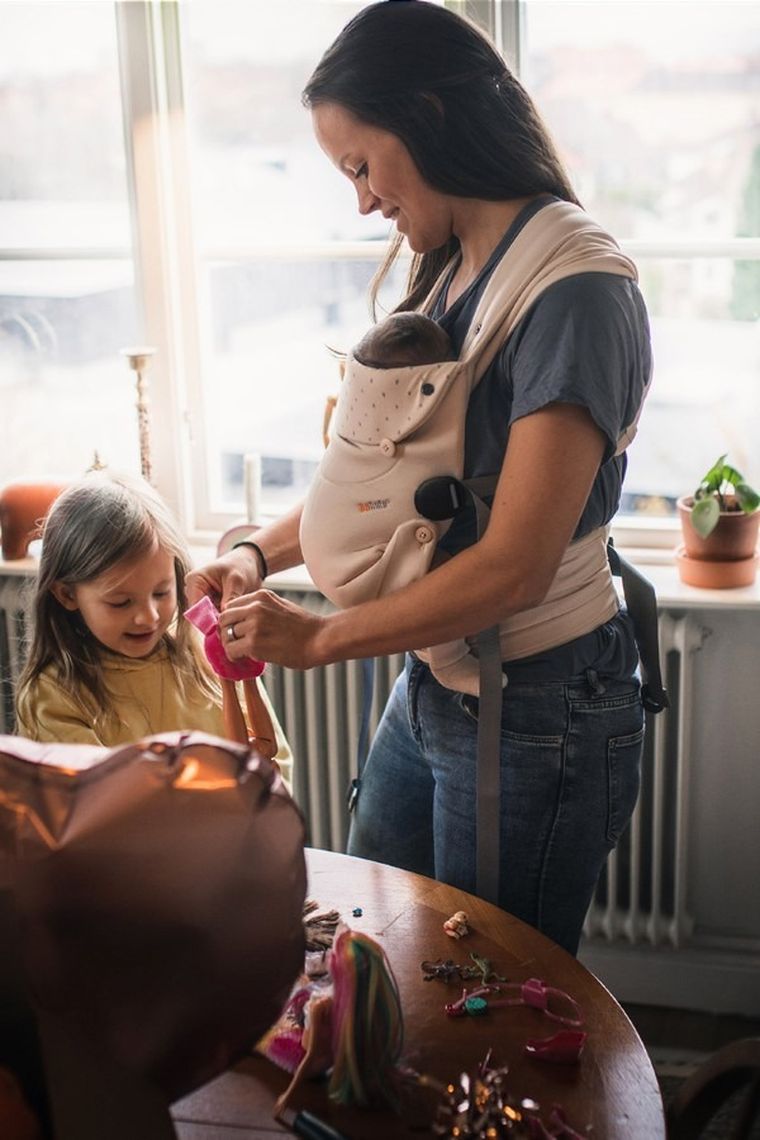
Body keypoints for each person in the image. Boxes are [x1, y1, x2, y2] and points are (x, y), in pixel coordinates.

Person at [186, 0, 652, 955]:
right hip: (441, 678)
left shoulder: (575, 293)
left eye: (363, 166)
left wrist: (321, 638)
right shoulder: (450, 268)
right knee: (372, 943)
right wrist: (254, 554)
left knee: (483, 992)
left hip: (541, 703)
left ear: (430, 116)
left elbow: (515, 567)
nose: (363, 203)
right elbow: (379, 484)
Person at [15, 471, 292, 786]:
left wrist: (265, 791)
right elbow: (98, 804)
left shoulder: (208, 656)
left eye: (161, 593)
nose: (148, 617)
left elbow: (277, 760)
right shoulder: (53, 696)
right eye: (121, 603)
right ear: (67, 594)